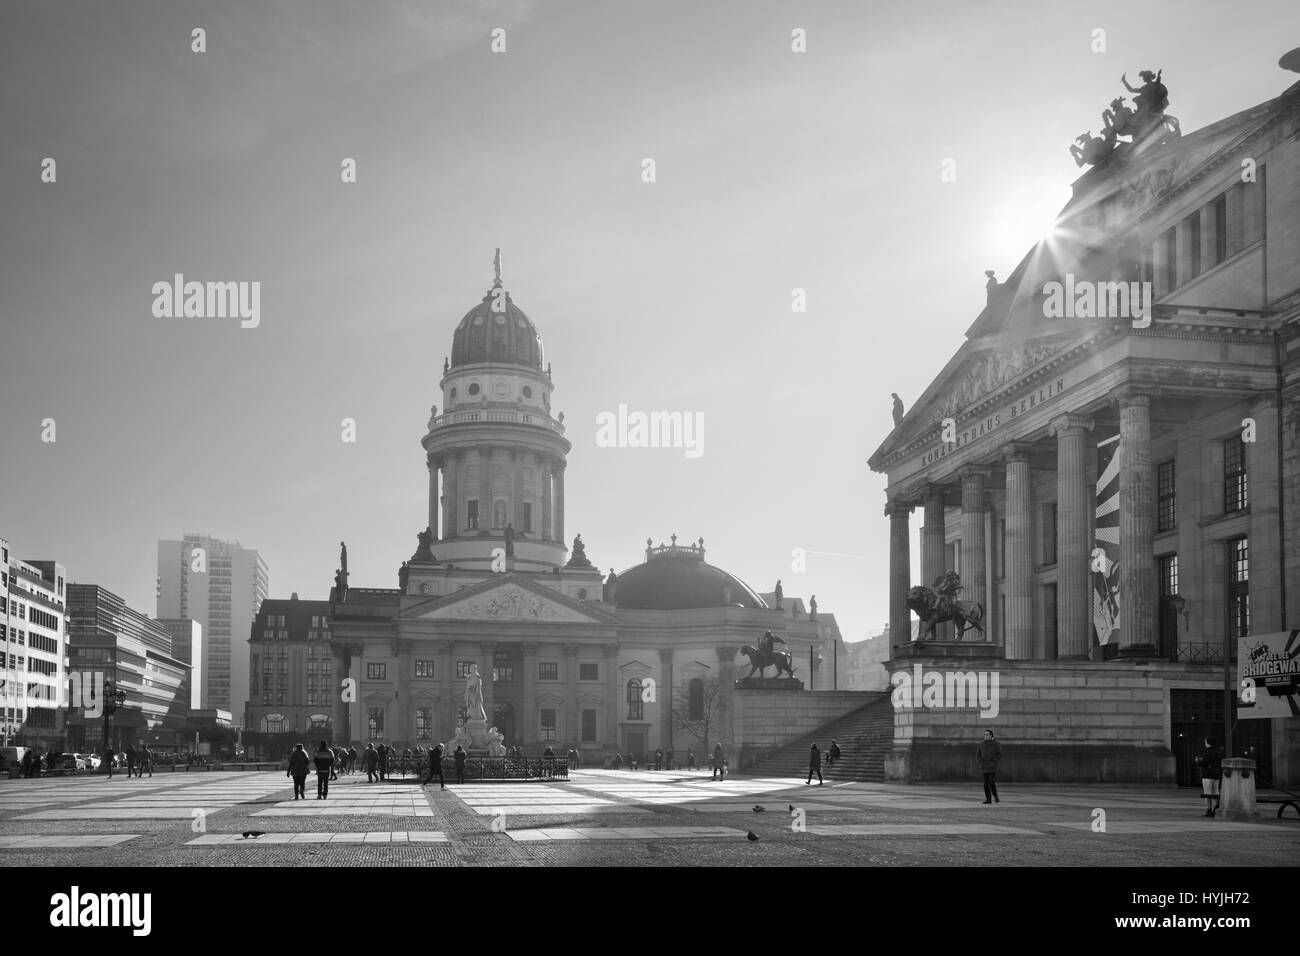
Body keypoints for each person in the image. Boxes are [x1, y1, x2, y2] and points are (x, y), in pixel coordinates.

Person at [1197, 737, 1223, 818]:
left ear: (1208, 742)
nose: (1205, 743)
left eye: (1205, 742)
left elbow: (1204, 762)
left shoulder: (1208, 751)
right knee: (1215, 791)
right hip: (1216, 774)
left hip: (1208, 774)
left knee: (1207, 792)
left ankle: (1209, 810)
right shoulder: (1218, 751)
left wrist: (1198, 761)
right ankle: (1216, 808)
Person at [977, 729, 1002, 804]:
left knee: (991, 781)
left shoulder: (996, 744)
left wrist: (994, 761)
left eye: (987, 734)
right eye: (985, 734)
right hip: (984, 766)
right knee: (985, 783)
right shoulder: (981, 744)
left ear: (991, 735)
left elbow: (999, 754)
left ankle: (995, 795)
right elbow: (978, 754)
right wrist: (980, 763)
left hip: (992, 767)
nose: (985, 736)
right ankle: (988, 799)